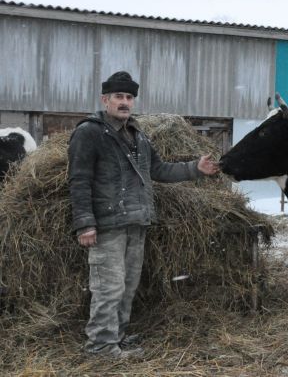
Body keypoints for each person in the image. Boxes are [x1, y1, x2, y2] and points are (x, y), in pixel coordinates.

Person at [68, 71, 219, 358]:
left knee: (127, 287)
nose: (124, 102)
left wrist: (194, 169)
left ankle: (118, 336)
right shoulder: (90, 132)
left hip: (137, 222)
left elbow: (158, 170)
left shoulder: (138, 135)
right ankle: (100, 346)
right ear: (105, 99)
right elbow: (79, 180)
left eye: (129, 97)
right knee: (108, 288)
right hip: (108, 224)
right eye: (118, 97)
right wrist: (84, 223)